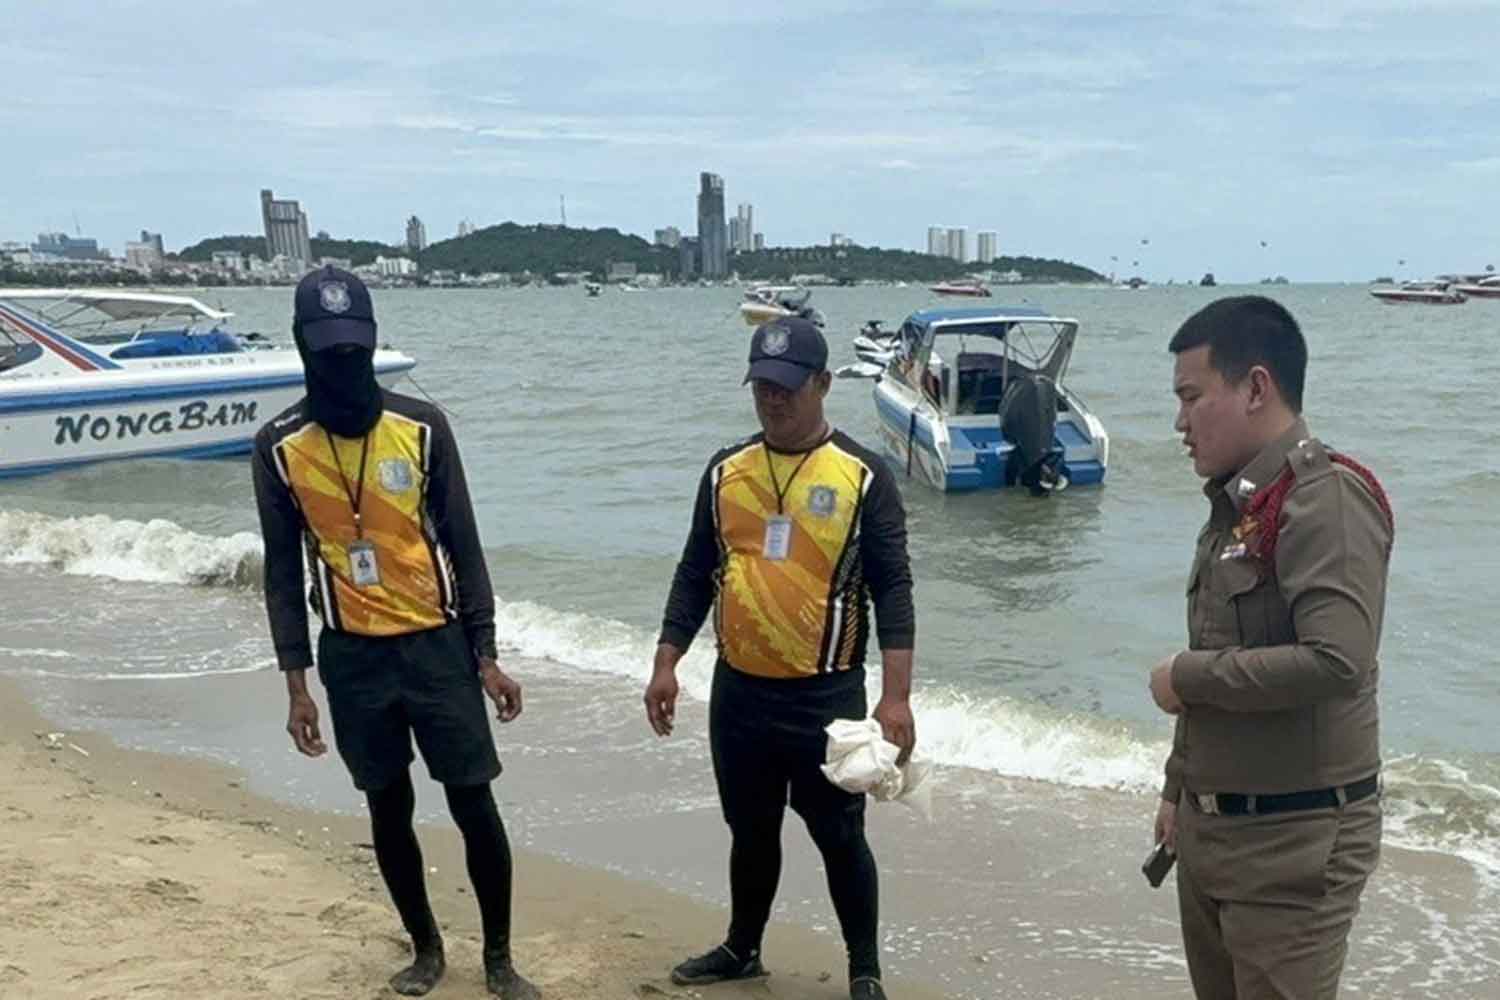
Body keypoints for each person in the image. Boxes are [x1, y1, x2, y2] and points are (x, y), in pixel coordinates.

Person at [251, 266, 540, 999]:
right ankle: (425, 949)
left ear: (372, 345)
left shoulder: (422, 427)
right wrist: (297, 685)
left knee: (474, 802)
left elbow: (464, 546)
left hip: (436, 648)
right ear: (302, 349)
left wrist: (487, 655)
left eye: (354, 353)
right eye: (328, 355)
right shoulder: (279, 447)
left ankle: (500, 960)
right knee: (388, 805)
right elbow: (282, 575)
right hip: (351, 659)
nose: (342, 368)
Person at [645, 317, 917, 1000]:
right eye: (762, 386)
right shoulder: (725, 471)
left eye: (788, 387)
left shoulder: (863, 476)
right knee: (750, 828)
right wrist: (667, 660)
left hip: (826, 696)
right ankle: (743, 948)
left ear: (824, 384)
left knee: (838, 833)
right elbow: (693, 572)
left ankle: (864, 971)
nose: (773, 399)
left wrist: (896, 696)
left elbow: (893, 587)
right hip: (740, 693)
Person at [1150, 296, 1394, 999]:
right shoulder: (1236, 508)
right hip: (1215, 831)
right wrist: (1179, 785)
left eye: (1193, 396)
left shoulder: (1327, 501)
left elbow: (1336, 659)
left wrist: (1187, 677)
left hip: (1295, 845)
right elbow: (1226, 644)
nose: (1179, 421)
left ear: (1256, 388)